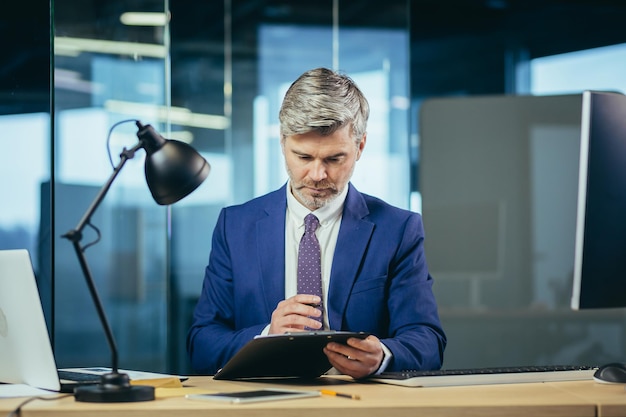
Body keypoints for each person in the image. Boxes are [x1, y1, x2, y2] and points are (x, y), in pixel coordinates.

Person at [187, 67, 446, 379]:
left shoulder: (398, 229)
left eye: (334, 159)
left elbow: (428, 340)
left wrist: (382, 357)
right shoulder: (235, 226)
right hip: (262, 405)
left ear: (360, 147)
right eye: (304, 157)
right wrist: (267, 333)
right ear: (283, 143)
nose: (318, 175)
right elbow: (201, 345)